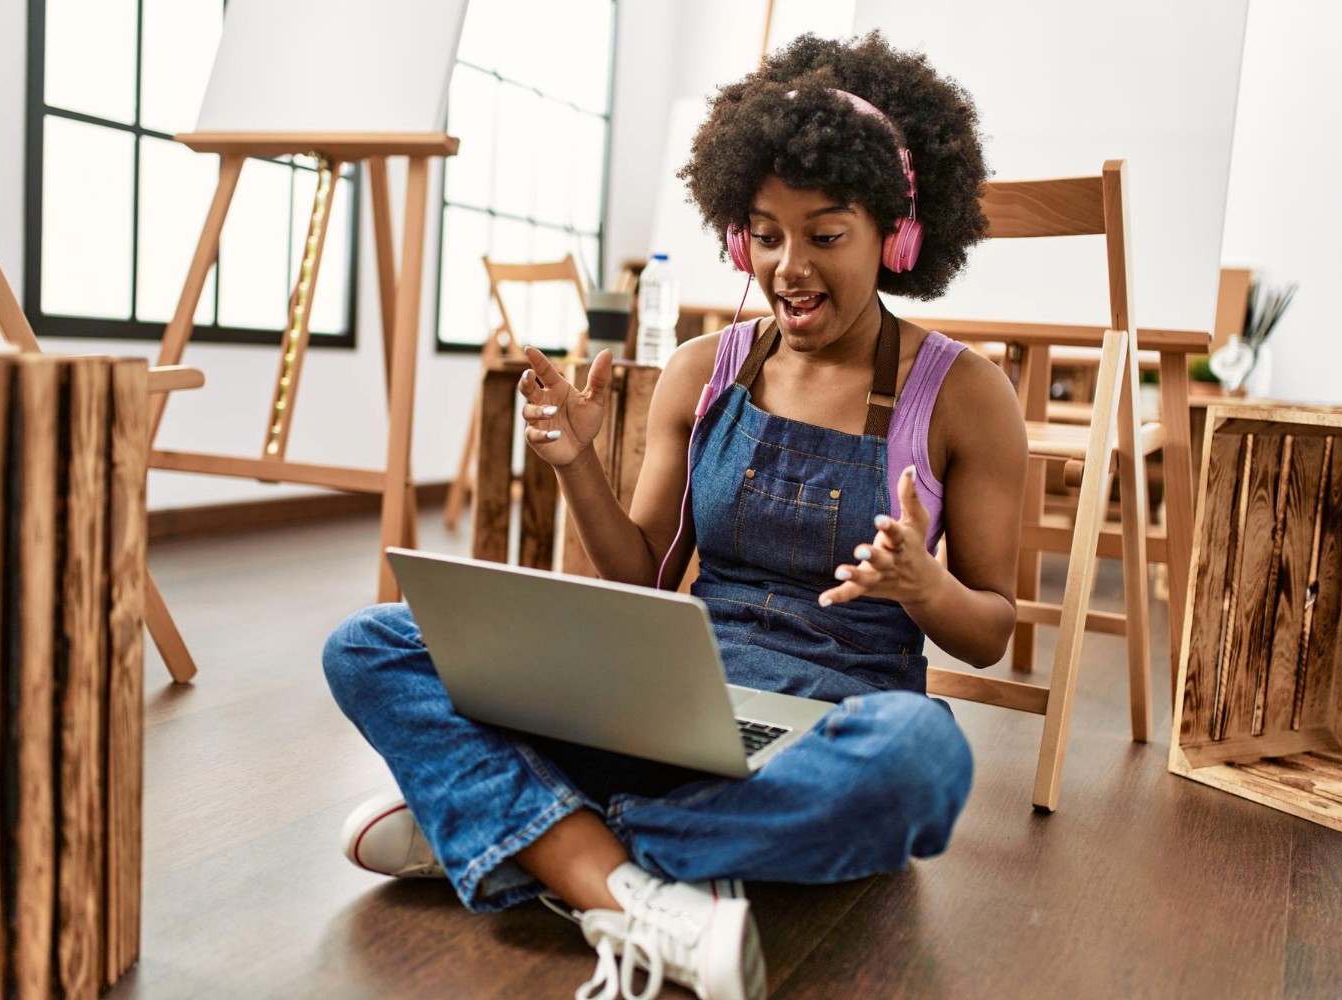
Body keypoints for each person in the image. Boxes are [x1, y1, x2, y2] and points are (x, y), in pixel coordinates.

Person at [323, 31, 1026, 1000]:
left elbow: (991, 630)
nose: (789, 266)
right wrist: (577, 466)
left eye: (826, 235)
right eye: (765, 234)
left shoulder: (965, 394)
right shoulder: (706, 370)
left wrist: (925, 583)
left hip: (834, 722)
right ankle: (613, 872)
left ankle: (535, 838)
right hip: (663, 700)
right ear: (736, 233)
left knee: (925, 760)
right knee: (370, 642)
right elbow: (641, 575)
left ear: (896, 238)